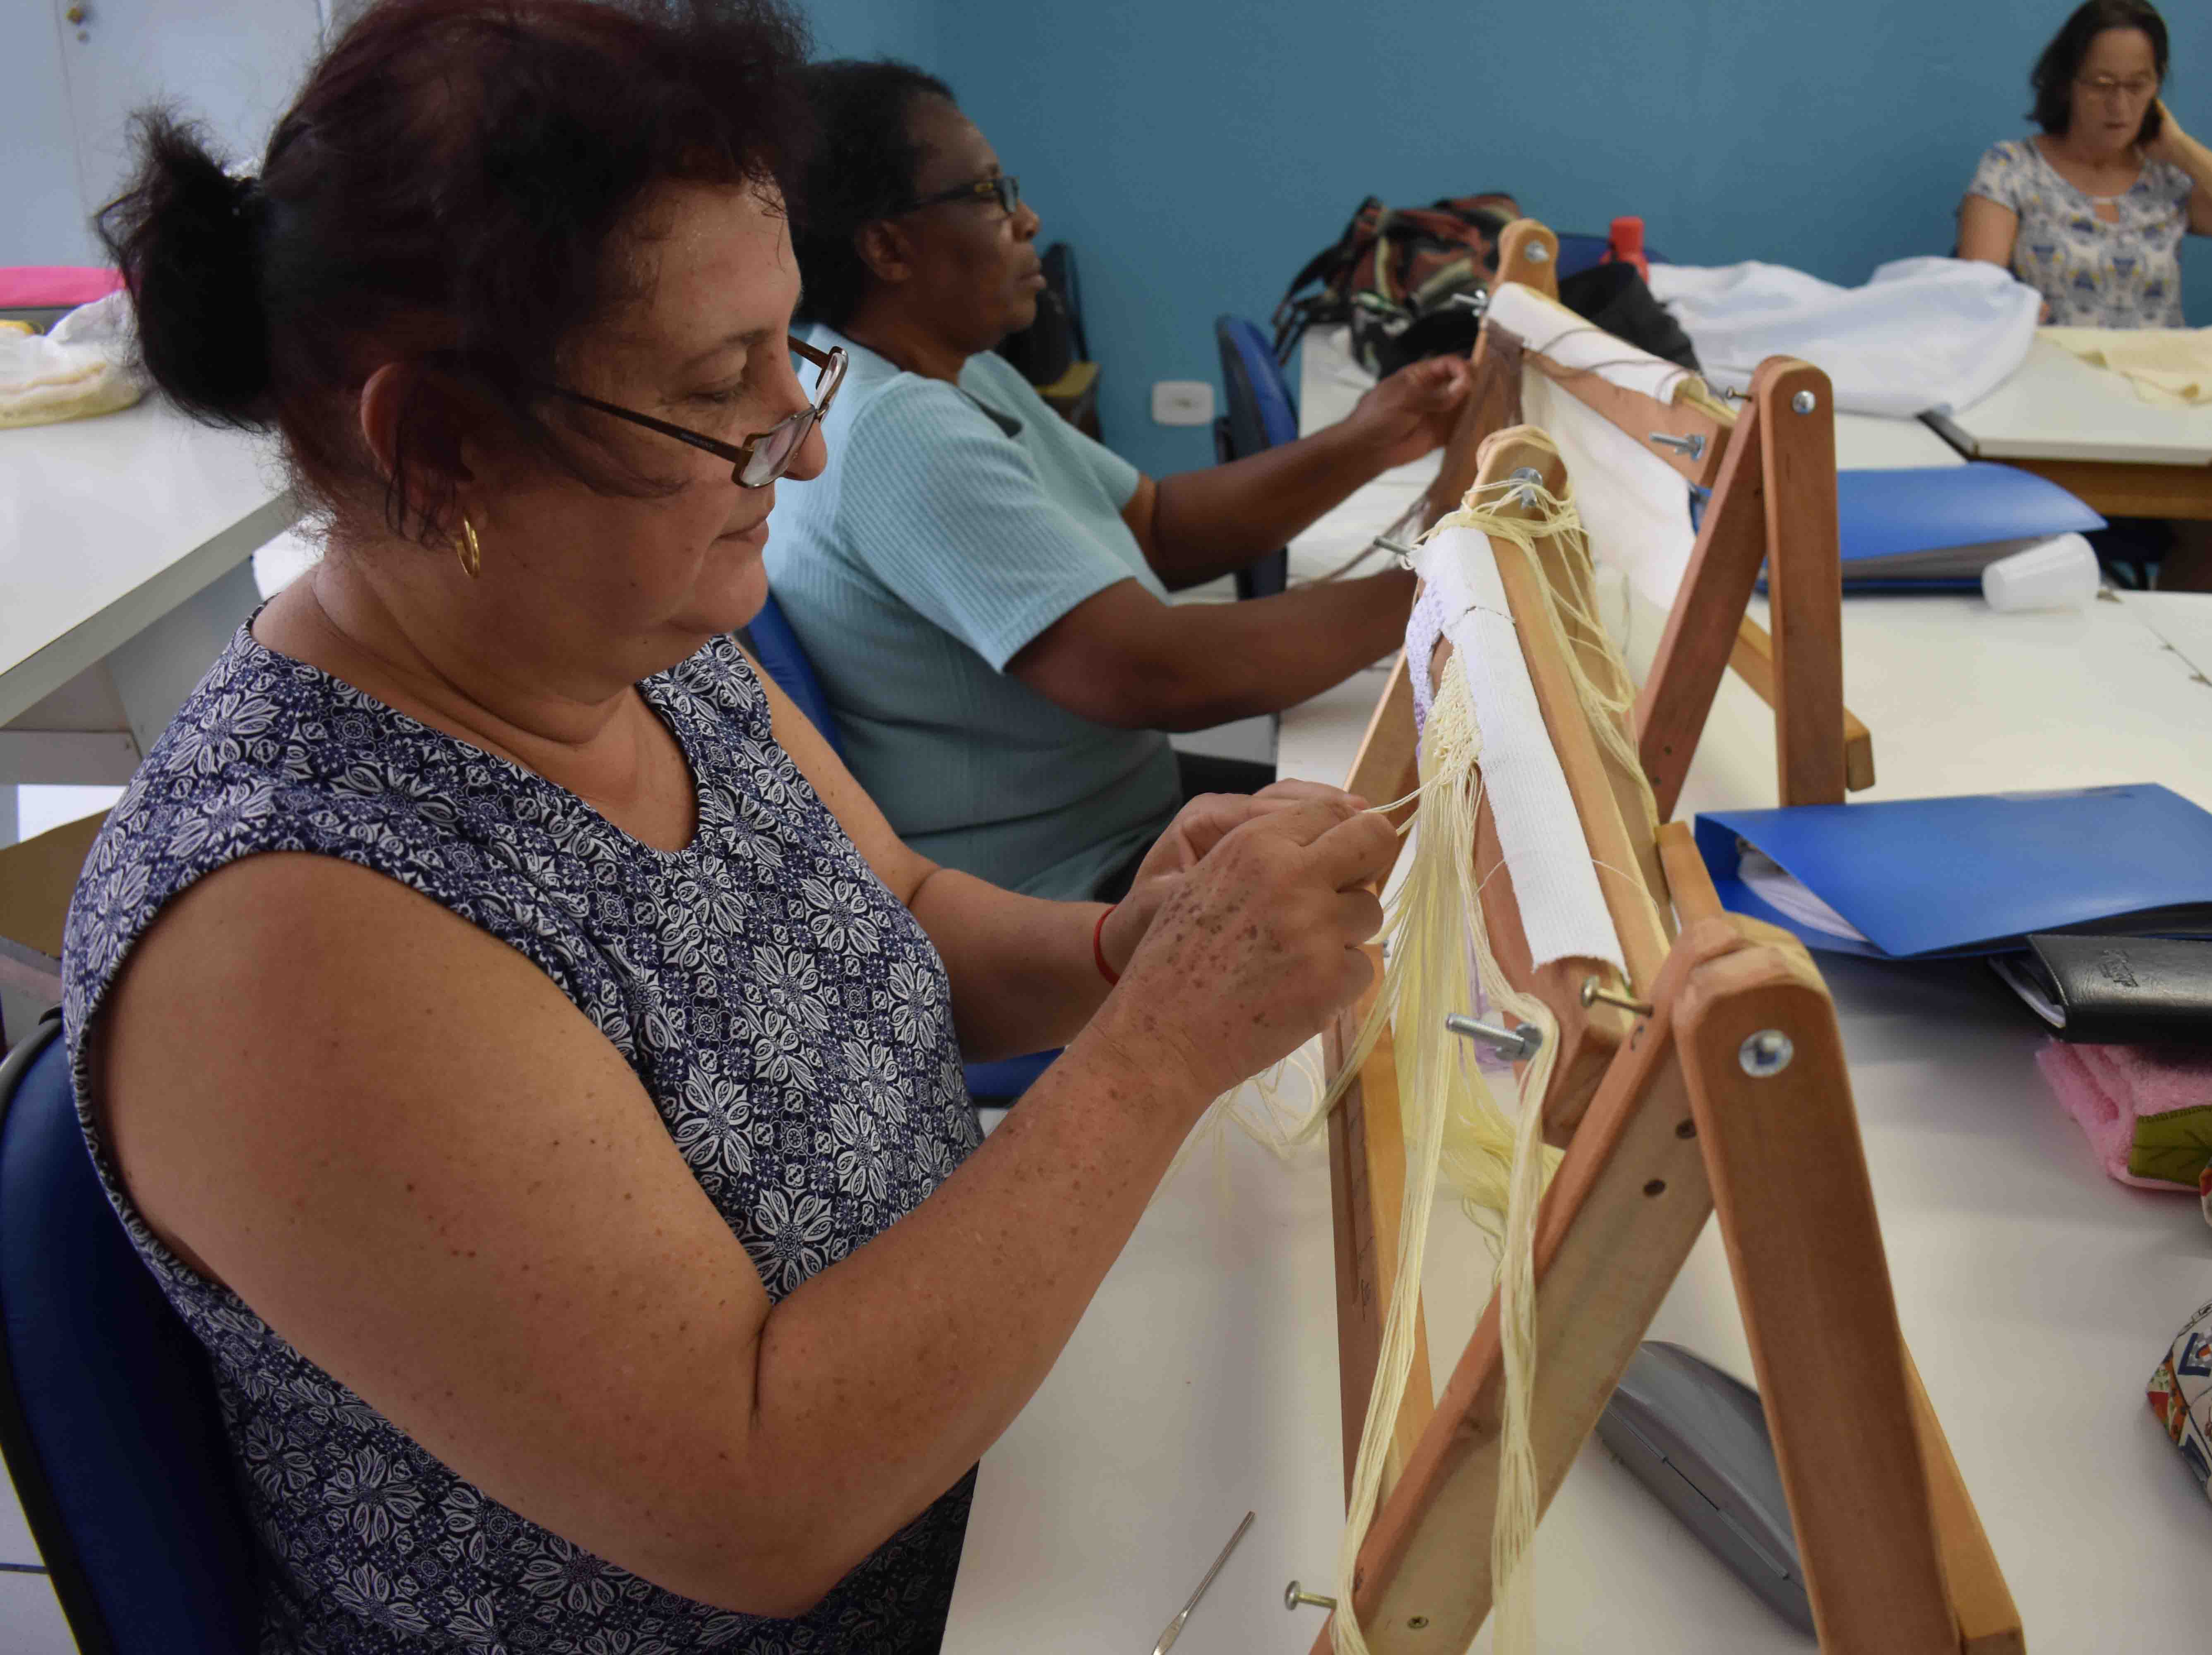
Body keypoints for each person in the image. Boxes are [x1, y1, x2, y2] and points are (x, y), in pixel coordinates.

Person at [70, 2, 1390, 1649]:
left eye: (791, 351)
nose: (809, 435)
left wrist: (1120, 947)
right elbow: (757, 1495)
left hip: (986, 1495)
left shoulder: (635, 647)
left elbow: (899, 910)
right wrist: (1159, 1044)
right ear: (438, 446)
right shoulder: (289, 934)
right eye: (721, 386)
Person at [770, 60, 1467, 903]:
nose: (1025, 219)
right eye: (988, 195)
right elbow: (1160, 673)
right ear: (887, 246)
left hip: (1124, 826)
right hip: (1054, 895)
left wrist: (1369, 439)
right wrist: (1444, 585)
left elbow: (1160, 525)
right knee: (1447, 882)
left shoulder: (941, 370)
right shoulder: (896, 433)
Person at [1956, 0, 2212, 592]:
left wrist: (2181, 147)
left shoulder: (2166, 181)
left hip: (2160, 411)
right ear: (2065, 82)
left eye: (2138, 87)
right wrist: (2012, 306)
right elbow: (1977, 289)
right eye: (2102, 85)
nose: (2119, 106)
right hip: (2050, 414)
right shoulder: (2013, 167)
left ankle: (2180, 659)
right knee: (2016, 527)